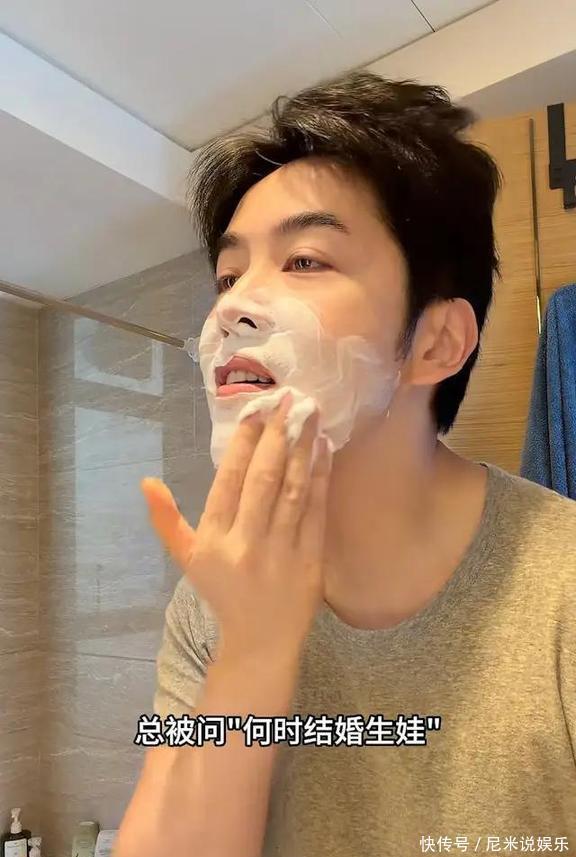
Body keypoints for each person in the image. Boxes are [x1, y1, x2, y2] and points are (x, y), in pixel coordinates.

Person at [113, 71, 576, 857]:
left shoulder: (562, 584)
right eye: (228, 275)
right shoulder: (213, 602)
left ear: (437, 343)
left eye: (304, 261)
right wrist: (252, 647)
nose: (231, 309)